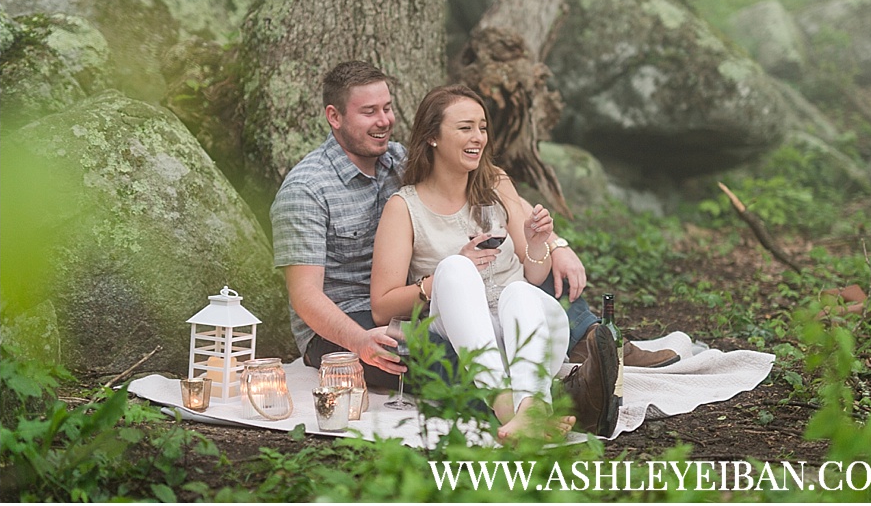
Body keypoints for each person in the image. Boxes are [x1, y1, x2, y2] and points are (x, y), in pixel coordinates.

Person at [270, 62, 672, 435]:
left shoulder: (394, 158)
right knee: (433, 357)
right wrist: (359, 341)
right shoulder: (307, 189)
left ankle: (590, 339)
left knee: (525, 277)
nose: (384, 121)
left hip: (432, 299)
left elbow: (487, 176)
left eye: (388, 108)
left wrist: (554, 242)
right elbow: (305, 297)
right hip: (345, 319)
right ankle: (546, 404)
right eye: (369, 112)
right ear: (334, 117)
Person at [368, 85, 609, 440]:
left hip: (529, 334)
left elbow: (533, 273)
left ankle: (527, 407)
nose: (478, 137)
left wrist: (540, 243)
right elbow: (380, 307)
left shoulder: (496, 182)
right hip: (465, 337)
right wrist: (439, 278)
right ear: (432, 137)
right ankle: (518, 407)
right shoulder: (404, 208)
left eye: (482, 127)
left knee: (519, 291)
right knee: (456, 267)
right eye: (465, 128)